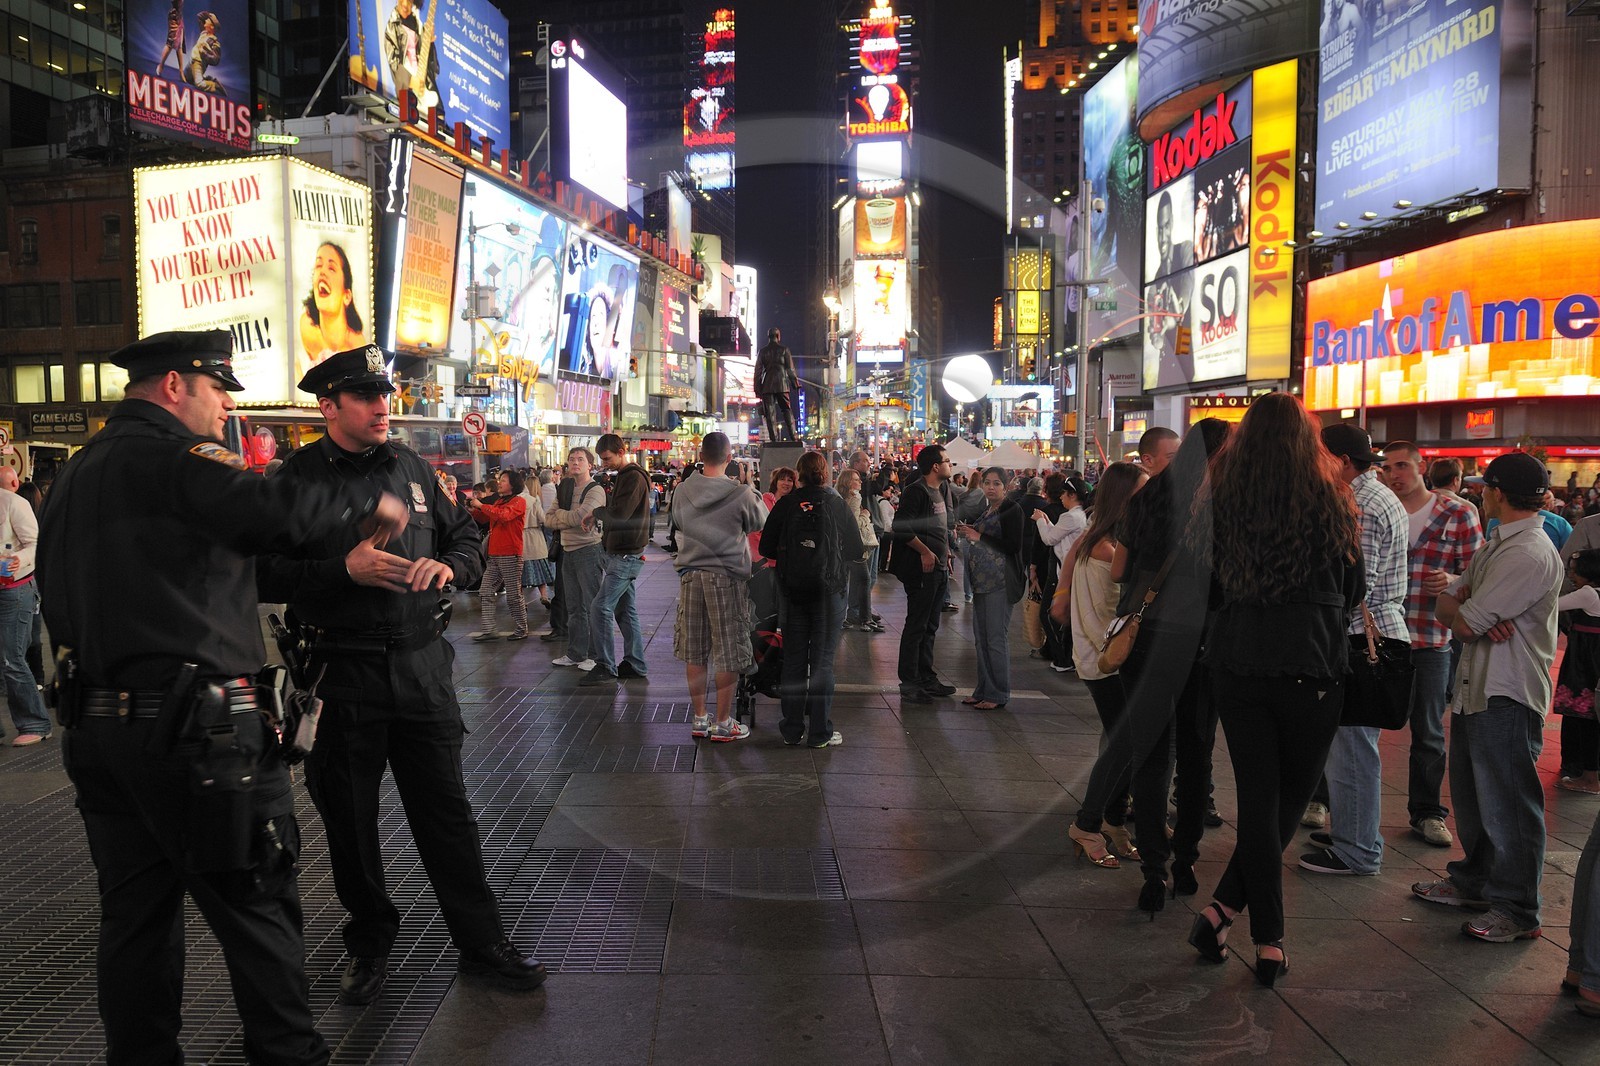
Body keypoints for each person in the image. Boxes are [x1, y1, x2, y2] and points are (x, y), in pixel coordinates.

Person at [38, 330, 411, 1064]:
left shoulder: (78, 475)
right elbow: (275, 510)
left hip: (101, 735)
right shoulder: (176, 458)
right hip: (199, 741)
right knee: (258, 916)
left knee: (136, 924)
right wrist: (369, 511)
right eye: (217, 390)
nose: (224, 408)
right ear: (175, 385)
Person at [258, 345, 547, 1005]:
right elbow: (255, 573)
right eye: (363, 396)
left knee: (448, 815)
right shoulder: (293, 480)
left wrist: (453, 570)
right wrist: (340, 571)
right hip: (340, 671)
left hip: (421, 667)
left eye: (384, 394)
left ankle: (482, 944)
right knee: (351, 825)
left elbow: (465, 539)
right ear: (328, 406)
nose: (382, 406)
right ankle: (369, 946)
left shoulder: (413, 468)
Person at [1186, 393, 1365, 988]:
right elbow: (1354, 585)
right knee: (1293, 796)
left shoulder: (1221, 497)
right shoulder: (1331, 498)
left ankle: (1229, 917)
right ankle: (1262, 936)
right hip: (1312, 662)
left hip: (1237, 661)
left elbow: (1204, 588)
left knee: (1260, 798)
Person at [1415, 452, 1562, 942]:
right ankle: (1475, 881)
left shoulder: (1528, 553)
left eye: (1485, 487)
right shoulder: (1498, 544)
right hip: (1477, 685)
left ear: (1497, 492)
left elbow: (1465, 619)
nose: (1480, 493)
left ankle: (1518, 908)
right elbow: (1447, 609)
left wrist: (1466, 612)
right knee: (1475, 798)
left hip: (1508, 691)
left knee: (1510, 803)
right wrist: (1465, 612)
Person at [1299, 425, 1409, 878]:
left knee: (1353, 749)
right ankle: (1352, 830)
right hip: (1373, 635)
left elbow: (1353, 587)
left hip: (1363, 639)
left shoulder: (1359, 503)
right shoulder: (1375, 496)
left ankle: (1359, 849)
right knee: (1350, 746)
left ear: (1342, 460)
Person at [1375, 441, 1483, 847]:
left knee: (1429, 730)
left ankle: (1427, 812)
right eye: (1387, 467)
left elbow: (1476, 571)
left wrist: (1454, 581)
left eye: (1402, 465)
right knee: (1354, 721)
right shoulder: (1378, 507)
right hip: (1379, 633)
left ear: (1422, 468)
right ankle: (1325, 800)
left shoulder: (1457, 512)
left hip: (1430, 633)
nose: (1394, 474)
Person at [1055, 461, 1147, 867]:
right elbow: (1102, 617)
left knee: (1124, 742)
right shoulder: (1107, 548)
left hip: (1102, 659)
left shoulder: (1099, 539)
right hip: (1106, 662)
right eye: (1143, 492)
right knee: (1123, 743)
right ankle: (1089, 823)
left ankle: (1109, 820)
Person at [760, 450, 863, 746]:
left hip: (792, 595)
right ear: (826, 474)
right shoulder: (836, 504)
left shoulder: (786, 504)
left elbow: (766, 548)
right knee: (823, 663)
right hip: (829, 596)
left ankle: (792, 729)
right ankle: (820, 732)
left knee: (793, 661)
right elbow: (856, 551)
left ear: (798, 474)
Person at [670, 432, 767, 741]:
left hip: (691, 574)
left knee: (694, 650)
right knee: (729, 650)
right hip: (726, 577)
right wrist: (748, 484)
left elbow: (679, 523)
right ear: (729, 459)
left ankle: (700, 719)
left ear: (701, 455)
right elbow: (761, 522)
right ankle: (724, 723)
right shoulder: (740, 492)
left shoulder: (683, 490)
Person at [578, 434, 651, 686]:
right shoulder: (627, 476)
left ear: (622, 451)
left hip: (625, 554)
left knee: (600, 607)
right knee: (624, 610)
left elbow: (620, 514)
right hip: (623, 552)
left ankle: (605, 665)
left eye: (607, 458)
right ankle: (635, 663)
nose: (604, 462)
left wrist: (596, 512)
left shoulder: (632, 476)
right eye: (602, 459)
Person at [890, 445, 957, 704]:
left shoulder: (941, 489)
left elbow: (940, 528)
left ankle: (926, 677)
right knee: (916, 625)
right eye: (947, 461)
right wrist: (925, 552)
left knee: (930, 626)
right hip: (921, 569)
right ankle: (909, 683)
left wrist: (946, 551)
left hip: (939, 567)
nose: (951, 465)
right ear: (935, 466)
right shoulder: (916, 491)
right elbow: (901, 527)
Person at [954, 466, 1023, 710]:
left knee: (995, 638)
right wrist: (970, 531)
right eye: (987, 483)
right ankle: (983, 689)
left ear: (1006, 487)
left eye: (996, 483)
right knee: (981, 638)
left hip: (1000, 582)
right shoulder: (988, 509)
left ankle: (998, 693)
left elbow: (1012, 545)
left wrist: (978, 536)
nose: (991, 487)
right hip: (982, 582)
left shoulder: (1012, 510)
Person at [0, 468, 49, 746]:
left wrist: (19, 558)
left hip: (14, 590)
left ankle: (36, 723)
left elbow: (35, 544)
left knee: (11, 658)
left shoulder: (14, 503)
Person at [545, 447, 605, 668]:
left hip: (589, 550)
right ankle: (576, 653)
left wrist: (563, 516)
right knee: (574, 607)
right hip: (567, 550)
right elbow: (548, 519)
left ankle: (596, 655)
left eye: (581, 459)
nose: (575, 463)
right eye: (572, 459)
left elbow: (582, 517)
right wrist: (567, 517)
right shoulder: (564, 488)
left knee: (592, 605)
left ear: (590, 465)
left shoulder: (595, 490)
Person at [1555, 551, 1600, 793]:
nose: (1570, 575)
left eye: (1574, 570)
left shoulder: (1588, 594)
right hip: (1594, 665)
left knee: (1587, 722)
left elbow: (1551, 604)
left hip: (1585, 667)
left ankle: (1589, 779)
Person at [467, 469, 529, 642]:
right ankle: (489, 629)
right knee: (485, 590)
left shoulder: (518, 501)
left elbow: (503, 516)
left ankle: (521, 628)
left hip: (510, 553)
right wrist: (474, 510)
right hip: (495, 554)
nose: (499, 482)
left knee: (513, 595)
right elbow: (487, 517)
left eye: (503, 480)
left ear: (513, 484)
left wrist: (481, 506)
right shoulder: (500, 501)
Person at [297, 242, 368, 381]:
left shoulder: (357, 350)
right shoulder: (304, 326)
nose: (322, 272)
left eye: (331, 268)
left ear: (346, 296)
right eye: (318, 265)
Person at [838, 468, 883, 632]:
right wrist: (865, 515)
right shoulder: (855, 498)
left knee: (846, 582)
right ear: (849, 482)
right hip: (857, 546)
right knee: (865, 580)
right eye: (857, 479)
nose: (860, 482)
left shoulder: (840, 498)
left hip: (844, 546)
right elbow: (854, 524)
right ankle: (865, 618)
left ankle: (848, 616)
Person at [754, 327, 799, 442]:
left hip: (767, 386)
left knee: (770, 414)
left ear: (768, 337)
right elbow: (790, 369)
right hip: (782, 385)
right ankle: (793, 437)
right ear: (778, 336)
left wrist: (757, 388)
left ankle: (773, 440)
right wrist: (795, 383)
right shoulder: (784, 350)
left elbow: (758, 371)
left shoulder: (763, 351)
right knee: (787, 410)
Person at [519, 473, 555, 609]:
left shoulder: (517, 500)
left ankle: (521, 601)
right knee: (540, 569)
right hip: (535, 537)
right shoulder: (535, 500)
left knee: (520, 574)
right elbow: (543, 519)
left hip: (520, 538)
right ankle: (544, 596)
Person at [181, 10, 223, 94]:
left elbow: (216, 60)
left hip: (199, 63)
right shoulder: (204, 33)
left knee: (199, 84)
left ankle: (214, 85)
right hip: (192, 61)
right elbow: (200, 17)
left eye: (208, 20)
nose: (205, 20)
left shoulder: (215, 43)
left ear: (212, 26)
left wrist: (205, 53)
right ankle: (207, 78)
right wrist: (207, 15)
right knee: (186, 78)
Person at [156, 0, 185, 76]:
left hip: (179, 16)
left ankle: (181, 71)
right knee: (171, 42)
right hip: (175, 16)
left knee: (179, 46)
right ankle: (161, 65)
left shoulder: (179, 10)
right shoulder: (173, 12)